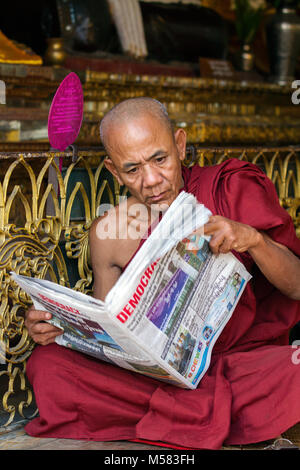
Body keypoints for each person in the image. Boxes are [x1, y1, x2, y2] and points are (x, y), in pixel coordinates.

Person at [24, 97, 300, 449]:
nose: (152, 181)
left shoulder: (232, 188)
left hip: (242, 366)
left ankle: (171, 419)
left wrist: (253, 240)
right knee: (48, 366)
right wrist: (59, 327)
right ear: (113, 170)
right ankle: (213, 418)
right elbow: (109, 332)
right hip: (159, 380)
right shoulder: (110, 233)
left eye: (160, 159)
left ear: (180, 146)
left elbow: (297, 286)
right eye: (133, 169)